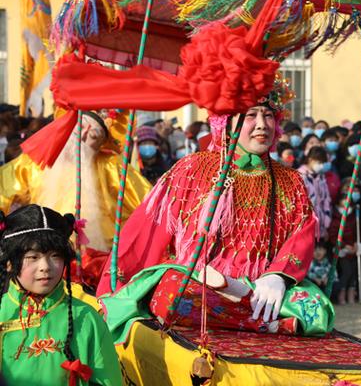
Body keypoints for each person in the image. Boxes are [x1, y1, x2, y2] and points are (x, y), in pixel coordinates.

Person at [97, 78, 320, 330]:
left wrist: (278, 275)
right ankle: (267, 324)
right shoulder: (192, 169)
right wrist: (115, 287)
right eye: (250, 115)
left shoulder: (291, 180)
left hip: (260, 290)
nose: (261, 125)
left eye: (268, 115)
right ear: (226, 122)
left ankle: (258, 313)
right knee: (173, 291)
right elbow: (146, 234)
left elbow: (303, 233)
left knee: (315, 305)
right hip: (202, 286)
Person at [0, 205, 121, 385]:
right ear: (10, 263)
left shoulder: (86, 319)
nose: (45, 266)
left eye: (55, 256)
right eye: (33, 257)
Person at [0, 111, 152, 254]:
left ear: (101, 145)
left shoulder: (112, 166)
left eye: (93, 134)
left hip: (97, 255)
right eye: (81, 126)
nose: (82, 135)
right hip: (40, 250)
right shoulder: (35, 160)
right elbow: (5, 187)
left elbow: (149, 201)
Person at [298, 146, 333, 240]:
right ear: (310, 159)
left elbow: (326, 200)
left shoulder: (321, 177)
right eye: (319, 162)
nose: (321, 165)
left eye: (323, 162)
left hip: (320, 227)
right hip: (305, 228)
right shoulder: (300, 177)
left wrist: (326, 224)